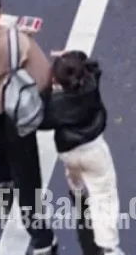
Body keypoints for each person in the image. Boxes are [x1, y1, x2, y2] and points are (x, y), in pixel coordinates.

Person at [0, 0, 58, 255]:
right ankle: (42, 241)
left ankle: (0, 193)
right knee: (27, 181)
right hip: (14, 119)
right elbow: (43, 79)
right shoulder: (17, 41)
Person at [38, 51, 123, 255]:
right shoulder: (92, 86)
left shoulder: (56, 105)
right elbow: (93, 65)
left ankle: (78, 190)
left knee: (74, 170)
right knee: (104, 196)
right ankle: (108, 246)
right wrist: (69, 55)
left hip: (68, 152)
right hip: (94, 151)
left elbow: (41, 120)